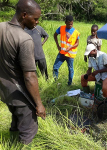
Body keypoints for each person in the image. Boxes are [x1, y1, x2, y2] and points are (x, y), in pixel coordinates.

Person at [0, 0, 46, 145]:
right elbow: (30, 76)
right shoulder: (25, 39)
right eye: (35, 18)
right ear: (24, 15)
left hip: (4, 90)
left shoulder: (0, 27)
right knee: (29, 130)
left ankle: (11, 145)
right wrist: (39, 104)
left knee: (16, 120)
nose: (37, 22)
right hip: (21, 94)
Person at [53, 15, 80, 85]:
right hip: (62, 53)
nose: (70, 25)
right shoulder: (61, 28)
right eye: (68, 24)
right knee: (55, 67)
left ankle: (69, 83)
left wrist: (70, 47)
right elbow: (55, 35)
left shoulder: (76, 32)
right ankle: (55, 81)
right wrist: (58, 45)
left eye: (71, 24)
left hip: (70, 54)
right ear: (65, 22)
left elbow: (77, 43)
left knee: (70, 70)